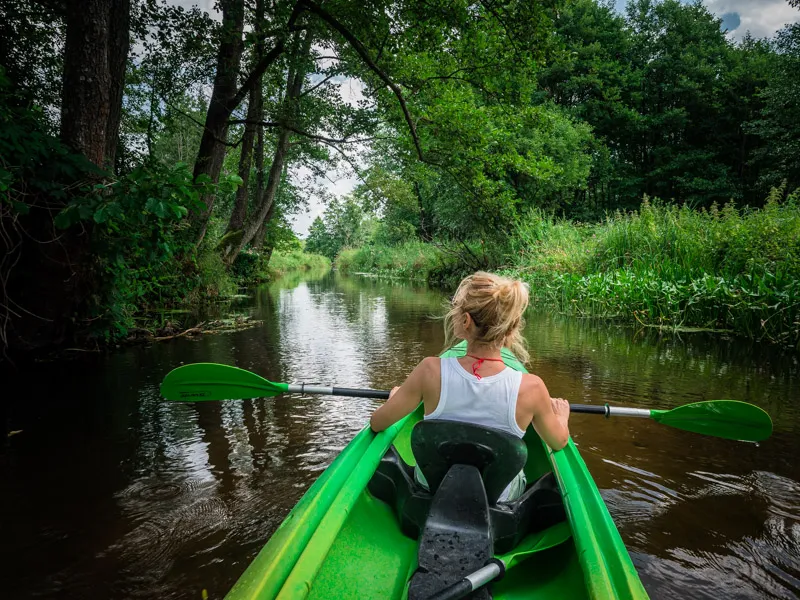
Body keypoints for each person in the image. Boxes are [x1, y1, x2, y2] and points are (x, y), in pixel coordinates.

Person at [369, 271, 571, 501]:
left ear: (466, 321)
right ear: (509, 328)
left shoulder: (429, 371)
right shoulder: (532, 388)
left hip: (431, 489)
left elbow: (377, 423)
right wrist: (561, 418)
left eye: (455, 309)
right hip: (498, 498)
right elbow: (558, 441)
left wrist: (396, 399)